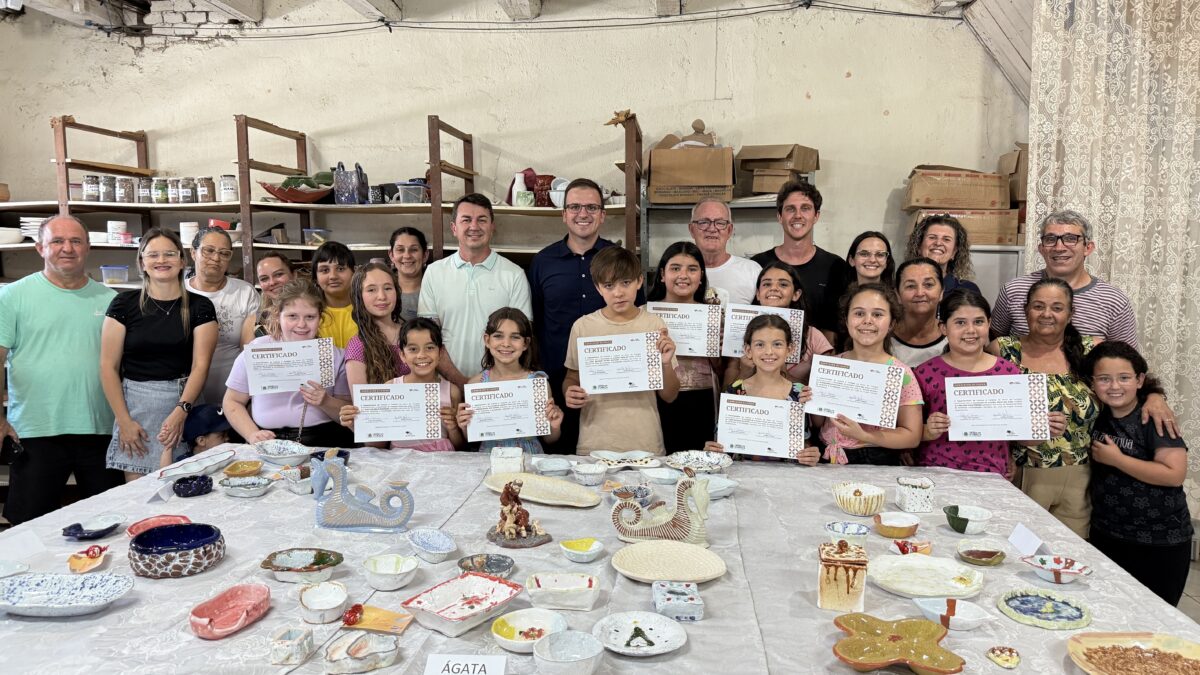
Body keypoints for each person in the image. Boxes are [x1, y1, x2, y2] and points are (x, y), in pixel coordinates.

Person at [0, 215, 124, 524]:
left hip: (100, 429)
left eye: (75, 241)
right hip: (35, 431)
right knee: (30, 525)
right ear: (40, 248)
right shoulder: (12, 296)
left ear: (88, 247)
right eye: (57, 241)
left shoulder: (111, 301)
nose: (67, 248)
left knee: (110, 523)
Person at [100, 228, 217, 481]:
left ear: (182, 261)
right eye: (153, 255)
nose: (161, 260)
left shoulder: (200, 306)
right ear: (142, 263)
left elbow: (201, 366)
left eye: (169, 254)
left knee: (190, 488)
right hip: (137, 410)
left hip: (186, 402)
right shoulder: (123, 304)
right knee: (140, 494)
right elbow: (108, 367)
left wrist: (181, 411)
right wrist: (124, 422)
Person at [528, 178, 633, 451]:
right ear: (564, 214)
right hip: (555, 382)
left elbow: (636, 316)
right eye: (575, 207)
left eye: (591, 207)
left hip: (612, 382)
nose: (583, 213)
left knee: (608, 457)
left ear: (602, 215)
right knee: (557, 458)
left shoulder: (620, 260)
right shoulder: (542, 262)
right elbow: (535, 322)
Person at [1084, 341, 1192, 606]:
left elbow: (1174, 474)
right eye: (1104, 379)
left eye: (1124, 378)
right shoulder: (1097, 414)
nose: (1114, 386)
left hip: (1159, 540)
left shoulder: (1153, 417)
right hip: (1107, 533)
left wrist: (1118, 460)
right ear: (1092, 383)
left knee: (1155, 615)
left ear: (1140, 380)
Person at [988, 278, 1099, 538]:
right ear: (1026, 310)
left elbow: (1126, 388)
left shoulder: (1091, 350)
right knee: (1020, 548)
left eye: (1057, 308)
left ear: (1070, 313)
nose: (1047, 314)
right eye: (1038, 306)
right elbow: (987, 411)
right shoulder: (1004, 350)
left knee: (1071, 552)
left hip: (1080, 476)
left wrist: (1155, 397)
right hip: (1023, 471)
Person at [916, 289, 1065, 476]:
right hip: (935, 473)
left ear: (989, 323)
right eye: (960, 322)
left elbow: (1021, 435)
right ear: (943, 328)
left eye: (978, 322)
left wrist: (1047, 429)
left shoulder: (1009, 372)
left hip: (992, 474)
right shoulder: (925, 373)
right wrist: (928, 430)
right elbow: (907, 431)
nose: (970, 330)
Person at [564, 246, 679, 455]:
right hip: (594, 442)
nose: (618, 293)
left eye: (625, 282)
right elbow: (572, 377)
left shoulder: (654, 325)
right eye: (609, 285)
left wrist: (665, 364)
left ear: (639, 281)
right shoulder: (583, 327)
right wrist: (569, 391)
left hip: (645, 442)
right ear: (598, 288)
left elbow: (670, 396)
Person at [420, 193, 532, 386]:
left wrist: (483, 386)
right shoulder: (434, 272)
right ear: (454, 228)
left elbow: (519, 338)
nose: (474, 226)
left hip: (498, 389)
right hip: (445, 385)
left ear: (492, 226)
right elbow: (427, 337)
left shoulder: (514, 275)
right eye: (466, 220)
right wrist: (461, 382)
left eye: (482, 220)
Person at [224, 280, 352, 447]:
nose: (301, 324)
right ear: (278, 316)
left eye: (310, 317)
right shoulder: (257, 351)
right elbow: (232, 401)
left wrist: (326, 401)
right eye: (292, 316)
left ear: (320, 317)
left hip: (322, 441)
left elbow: (348, 413)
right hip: (267, 441)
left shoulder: (334, 355)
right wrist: (252, 434)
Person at [992, 210, 1139, 347]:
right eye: (1050, 239)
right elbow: (995, 344)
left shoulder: (1114, 301)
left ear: (1088, 248)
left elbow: (1126, 358)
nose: (1059, 247)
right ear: (1041, 249)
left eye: (1070, 239)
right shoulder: (1013, 291)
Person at [816, 283, 923, 465]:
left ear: (892, 323)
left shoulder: (900, 373)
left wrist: (864, 435)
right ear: (846, 320)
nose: (867, 320)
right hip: (827, 454)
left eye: (878, 314)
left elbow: (912, 437)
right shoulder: (832, 366)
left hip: (874, 458)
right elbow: (819, 422)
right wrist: (811, 398)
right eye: (859, 313)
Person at [703, 314, 821, 466]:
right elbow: (722, 445)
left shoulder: (800, 393)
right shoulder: (734, 391)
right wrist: (713, 450)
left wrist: (810, 455)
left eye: (777, 344)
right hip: (742, 474)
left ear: (789, 349)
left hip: (788, 475)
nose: (769, 351)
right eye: (760, 344)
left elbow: (804, 443)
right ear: (748, 350)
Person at [339, 317, 466, 452]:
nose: (421, 355)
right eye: (413, 349)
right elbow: (378, 446)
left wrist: (453, 427)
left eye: (429, 348)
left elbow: (460, 447)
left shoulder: (451, 391)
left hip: (442, 458)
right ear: (402, 355)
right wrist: (355, 425)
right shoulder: (390, 388)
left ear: (440, 353)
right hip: (400, 459)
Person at [646, 242, 722, 453]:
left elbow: (724, 370)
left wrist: (716, 351)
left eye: (692, 269)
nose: (683, 275)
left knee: (699, 463)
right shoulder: (644, 314)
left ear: (701, 277)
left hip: (702, 400)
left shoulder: (714, 317)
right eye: (675, 268)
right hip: (656, 400)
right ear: (662, 275)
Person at [751, 181, 851, 340]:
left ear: (816, 216)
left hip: (821, 353)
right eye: (790, 209)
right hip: (768, 353)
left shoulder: (835, 266)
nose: (798, 215)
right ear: (779, 216)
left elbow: (837, 325)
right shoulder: (757, 265)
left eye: (805, 208)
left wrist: (822, 353)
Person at [456, 307, 563, 454]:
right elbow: (472, 438)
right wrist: (464, 426)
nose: (506, 343)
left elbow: (550, 439)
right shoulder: (476, 384)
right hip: (489, 457)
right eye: (498, 336)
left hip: (528, 457)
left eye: (515, 337)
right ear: (487, 340)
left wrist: (555, 425)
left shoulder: (537, 383)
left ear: (525, 343)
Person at [723, 262, 834, 387]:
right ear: (758, 294)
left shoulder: (813, 336)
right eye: (767, 284)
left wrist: (783, 373)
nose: (774, 288)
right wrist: (745, 373)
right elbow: (725, 392)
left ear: (796, 294)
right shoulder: (738, 331)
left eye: (783, 284)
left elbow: (825, 390)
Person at [186, 226, 259, 405]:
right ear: (193, 253)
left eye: (224, 253)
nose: (216, 258)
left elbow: (250, 351)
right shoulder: (178, 292)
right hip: (185, 397)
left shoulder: (244, 292)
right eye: (209, 251)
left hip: (235, 397)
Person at [345, 262, 410, 391]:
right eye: (371, 290)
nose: (382, 296)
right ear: (359, 296)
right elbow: (360, 400)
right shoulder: (357, 346)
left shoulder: (413, 333)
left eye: (388, 288)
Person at [688, 197, 761, 305]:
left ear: (729, 230)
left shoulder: (752, 271)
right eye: (703, 222)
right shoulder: (677, 273)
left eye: (720, 223)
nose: (712, 229)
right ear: (692, 230)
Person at [904, 214, 979, 297]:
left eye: (946, 239)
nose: (938, 243)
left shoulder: (968, 290)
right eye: (932, 237)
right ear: (918, 246)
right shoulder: (901, 286)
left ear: (954, 252)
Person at [891, 258, 947, 368]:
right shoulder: (882, 338)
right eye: (910, 286)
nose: (920, 293)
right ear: (898, 295)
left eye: (928, 285)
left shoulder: (954, 337)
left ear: (941, 292)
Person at [242, 252, 294, 343]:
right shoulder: (253, 321)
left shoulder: (313, 312)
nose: (272, 282)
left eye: (278, 274)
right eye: (264, 279)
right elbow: (247, 352)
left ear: (294, 275)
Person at [314, 241, 357, 349]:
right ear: (315, 277)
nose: (333, 276)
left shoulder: (368, 310)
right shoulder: (309, 314)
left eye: (340, 269)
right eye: (325, 270)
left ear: (354, 272)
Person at [389, 226, 430, 322]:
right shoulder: (383, 293)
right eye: (400, 250)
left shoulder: (436, 291)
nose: (407, 256)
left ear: (425, 255)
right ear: (391, 255)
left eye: (414, 250)